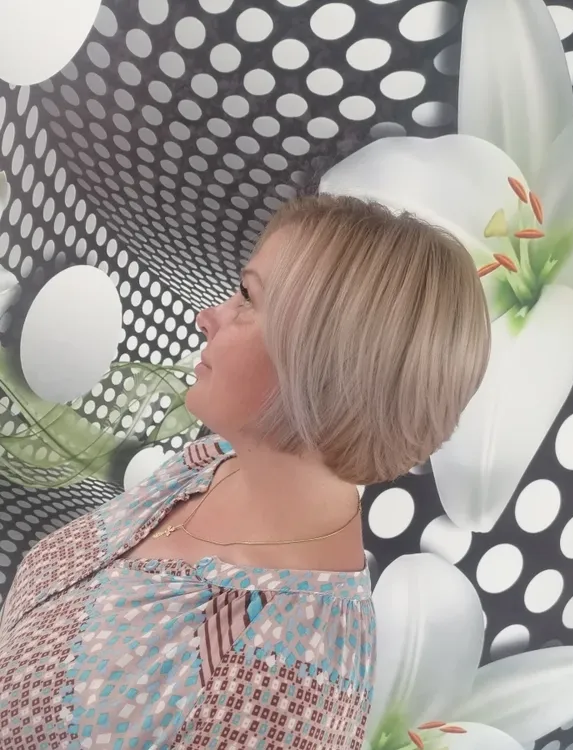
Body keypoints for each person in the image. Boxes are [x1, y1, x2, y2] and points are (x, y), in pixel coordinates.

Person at [0, 194, 490, 749]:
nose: (207, 317)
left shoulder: (287, 691)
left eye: (248, 298)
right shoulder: (207, 464)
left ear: (321, 366)